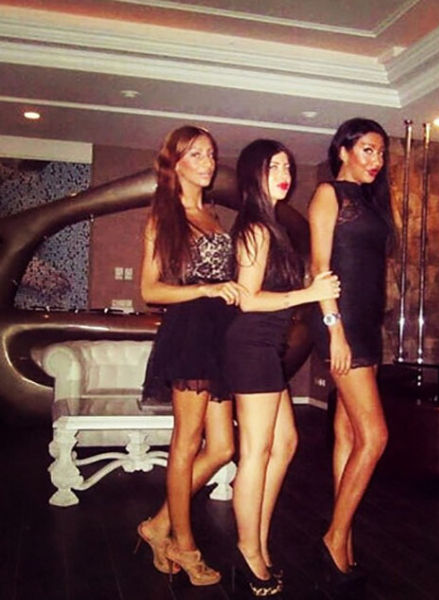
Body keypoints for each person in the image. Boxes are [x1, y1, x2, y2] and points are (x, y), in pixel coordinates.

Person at [223, 139, 341, 597]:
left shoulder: (274, 227)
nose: (284, 174)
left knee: (286, 443)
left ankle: (258, 539)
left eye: (287, 166)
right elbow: (247, 299)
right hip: (251, 345)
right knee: (255, 451)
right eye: (273, 167)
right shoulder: (255, 228)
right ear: (254, 173)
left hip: (267, 347)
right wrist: (308, 294)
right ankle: (247, 551)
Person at [134, 125, 246, 586]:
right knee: (186, 441)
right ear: (175, 162)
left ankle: (158, 525)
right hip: (190, 332)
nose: (208, 162)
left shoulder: (213, 214)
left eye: (211, 154)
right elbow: (149, 290)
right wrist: (205, 289)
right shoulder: (165, 216)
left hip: (219, 335)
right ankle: (185, 544)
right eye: (196, 154)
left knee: (222, 448)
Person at [308, 118, 394, 583]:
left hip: (367, 325)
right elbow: (320, 270)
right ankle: (335, 536)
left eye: (380, 152)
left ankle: (344, 536)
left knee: (347, 432)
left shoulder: (372, 201)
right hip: (340, 325)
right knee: (375, 436)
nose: (376, 160)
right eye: (367, 150)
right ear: (343, 151)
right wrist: (334, 331)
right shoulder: (329, 194)